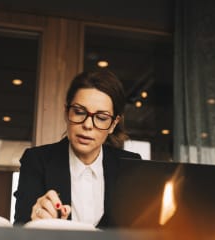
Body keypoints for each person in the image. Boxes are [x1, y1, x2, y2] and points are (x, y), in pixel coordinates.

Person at [13, 70, 141, 228]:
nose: (87, 125)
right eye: (79, 112)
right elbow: (20, 227)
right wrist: (34, 223)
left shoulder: (130, 166)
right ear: (67, 113)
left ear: (113, 124)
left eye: (101, 118)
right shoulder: (36, 160)